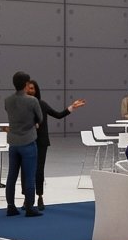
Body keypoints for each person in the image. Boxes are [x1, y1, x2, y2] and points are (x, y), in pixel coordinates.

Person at [24, 79, 85, 210]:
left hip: (41, 142)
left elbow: (58, 115)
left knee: (39, 170)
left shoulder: (42, 104)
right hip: (27, 141)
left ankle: (40, 196)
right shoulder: (22, 105)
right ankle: (27, 198)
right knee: (27, 170)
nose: (30, 91)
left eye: (32, 88)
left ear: (36, 90)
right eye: (28, 88)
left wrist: (72, 107)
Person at [3, 71, 44, 217]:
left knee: (11, 176)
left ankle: (10, 206)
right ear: (26, 84)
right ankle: (30, 207)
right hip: (28, 141)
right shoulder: (32, 101)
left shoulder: (7, 100)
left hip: (13, 142)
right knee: (29, 176)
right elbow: (40, 118)